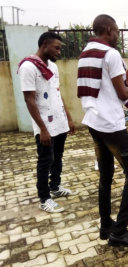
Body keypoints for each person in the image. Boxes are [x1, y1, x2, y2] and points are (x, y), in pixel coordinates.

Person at [77, 14, 128, 248]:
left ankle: (105, 225)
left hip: (93, 120)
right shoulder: (110, 54)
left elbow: (108, 88)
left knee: (106, 175)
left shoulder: (85, 54)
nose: (118, 35)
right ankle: (119, 231)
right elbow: (123, 94)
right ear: (109, 29)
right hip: (110, 124)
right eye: (117, 31)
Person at [18, 32, 75, 213]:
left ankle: (55, 187)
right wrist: (42, 129)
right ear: (44, 45)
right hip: (44, 125)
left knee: (57, 157)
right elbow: (30, 100)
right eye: (56, 48)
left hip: (59, 121)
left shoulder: (52, 67)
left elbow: (57, 93)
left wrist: (68, 117)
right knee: (45, 160)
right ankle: (44, 198)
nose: (59, 52)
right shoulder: (28, 67)